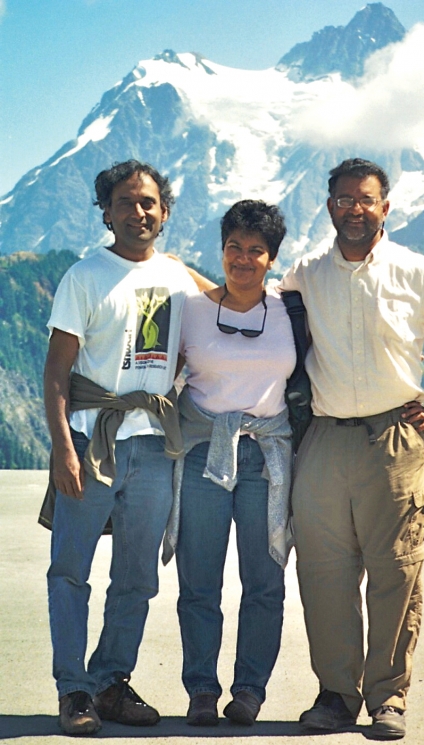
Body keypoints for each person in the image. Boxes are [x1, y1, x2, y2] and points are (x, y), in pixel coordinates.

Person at [279, 158, 424, 741]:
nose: (354, 208)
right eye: (344, 199)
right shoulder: (307, 274)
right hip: (323, 440)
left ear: (385, 207)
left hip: (392, 441)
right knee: (323, 573)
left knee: (395, 571)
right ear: (329, 208)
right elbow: (246, 295)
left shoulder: (417, 271)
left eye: (365, 199)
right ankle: (334, 695)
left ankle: (388, 697)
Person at [43, 160, 201, 736]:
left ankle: (111, 681)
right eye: (127, 203)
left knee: (137, 576)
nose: (140, 212)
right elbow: (57, 370)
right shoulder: (85, 276)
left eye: (150, 203)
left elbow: (237, 300)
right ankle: (73, 689)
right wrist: (63, 447)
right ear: (105, 211)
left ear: (165, 211)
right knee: (70, 571)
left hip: (156, 446)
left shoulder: (178, 278)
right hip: (92, 442)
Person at [166, 199, 296, 727]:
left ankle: (249, 692)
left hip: (266, 457)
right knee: (199, 581)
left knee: (264, 580)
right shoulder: (191, 309)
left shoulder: (292, 309)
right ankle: (201, 689)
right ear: (221, 251)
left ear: (272, 259)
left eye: (256, 251)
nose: (243, 259)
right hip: (202, 453)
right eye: (233, 248)